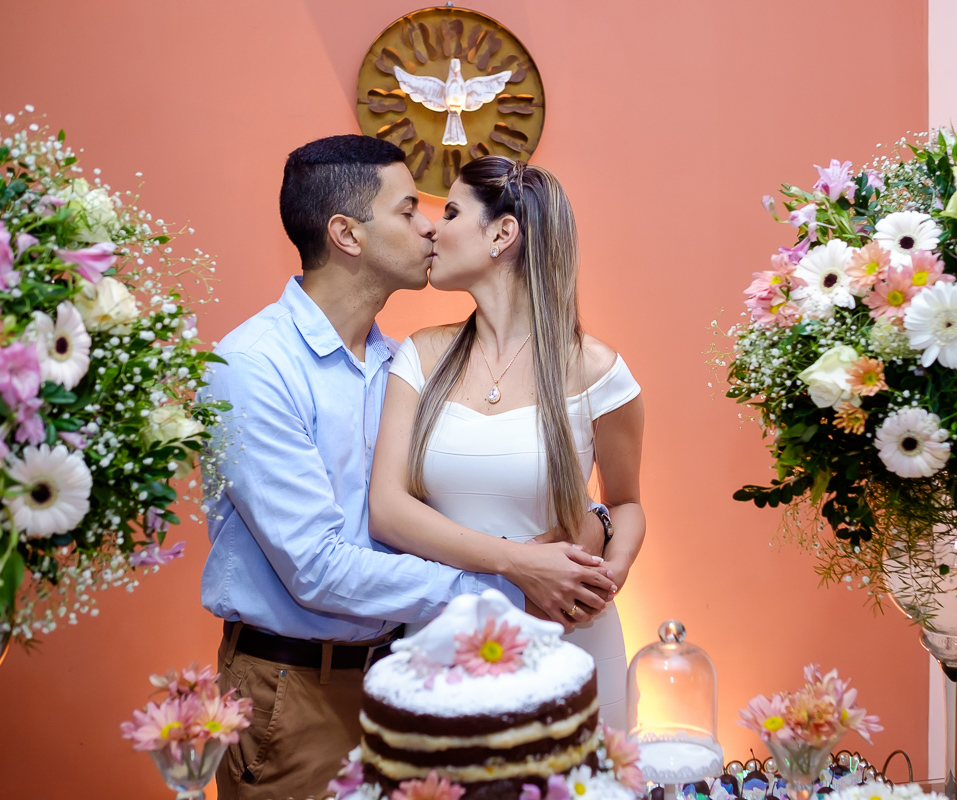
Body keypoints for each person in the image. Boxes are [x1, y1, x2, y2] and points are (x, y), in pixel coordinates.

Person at [201, 136, 617, 800]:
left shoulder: (401, 363)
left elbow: (445, 504)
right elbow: (316, 568)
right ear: (347, 234)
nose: (429, 224)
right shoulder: (253, 368)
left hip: (410, 671)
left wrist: (590, 521)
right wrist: (516, 581)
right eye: (407, 211)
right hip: (297, 690)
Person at [369, 156, 646, 728]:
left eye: (449, 211)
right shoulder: (420, 356)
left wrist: (605, 577)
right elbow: (387, 511)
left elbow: (625, 503)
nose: (431, 228)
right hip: (444, 642)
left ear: (502, 233)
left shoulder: (599, 371)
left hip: (568, 639)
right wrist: (521, 565)